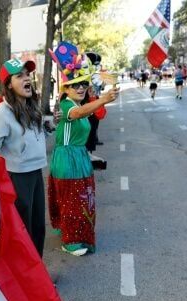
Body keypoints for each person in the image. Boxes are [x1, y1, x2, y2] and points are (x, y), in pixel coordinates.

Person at [48, 41, 118, 256]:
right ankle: (70, 241)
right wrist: (103, 100)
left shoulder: (78, 104)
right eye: (74, 85)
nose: (80, 88)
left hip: (78, 156)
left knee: (80, 199)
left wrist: (101, 100)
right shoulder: (67, 105)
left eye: (83, 84)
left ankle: (74, 233)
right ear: (65, 89)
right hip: (67, 158)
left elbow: (88, 113)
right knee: (72, 200)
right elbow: (78, 115)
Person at [0, 58, 47, 257]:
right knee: (25, 230)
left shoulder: (31, 106)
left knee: (38, 226)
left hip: (36, 172)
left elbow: (33, 138)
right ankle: (27, 279)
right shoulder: (2, 113)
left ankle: (38, 273)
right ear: (8, 85)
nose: (26, 79)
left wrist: (49, 126)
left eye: (27, 74)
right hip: (18, 178)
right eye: (19, 76)